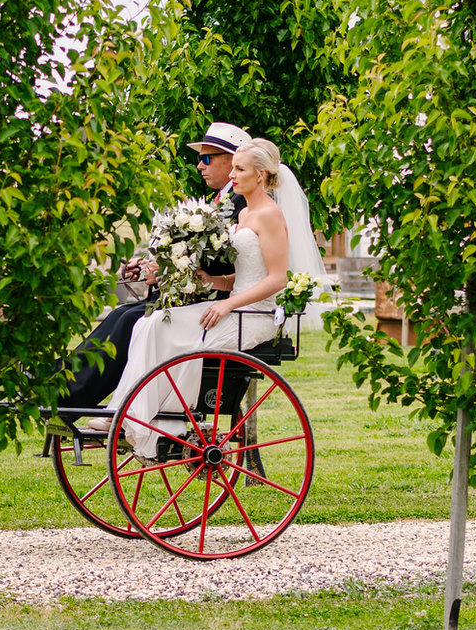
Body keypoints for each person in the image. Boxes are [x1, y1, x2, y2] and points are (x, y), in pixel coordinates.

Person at [104, 138, 295, 457]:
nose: (232, 175)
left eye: (239, 168)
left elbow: (278, 278)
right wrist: (214, 280)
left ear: (260, 175)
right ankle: (124, 414)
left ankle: (166, 423)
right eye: (232, 167)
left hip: (254, 316)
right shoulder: (245, 214)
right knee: (149, 325)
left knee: (178, 339)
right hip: (233, 307)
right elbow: (250, 271)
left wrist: (228, 302)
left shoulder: (270, 215)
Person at [53, 121, 251, 410]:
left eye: (206, 158)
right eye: (199, 159)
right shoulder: (219, 200)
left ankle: (70, 393)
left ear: (232, 159)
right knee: (119, 315)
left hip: (212, 298)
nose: (200, 166)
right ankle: (63, 378)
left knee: (127, 322)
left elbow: (223, 261)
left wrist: (168, 270)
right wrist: (156, 265)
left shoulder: (241, 203)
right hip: (192, 292)